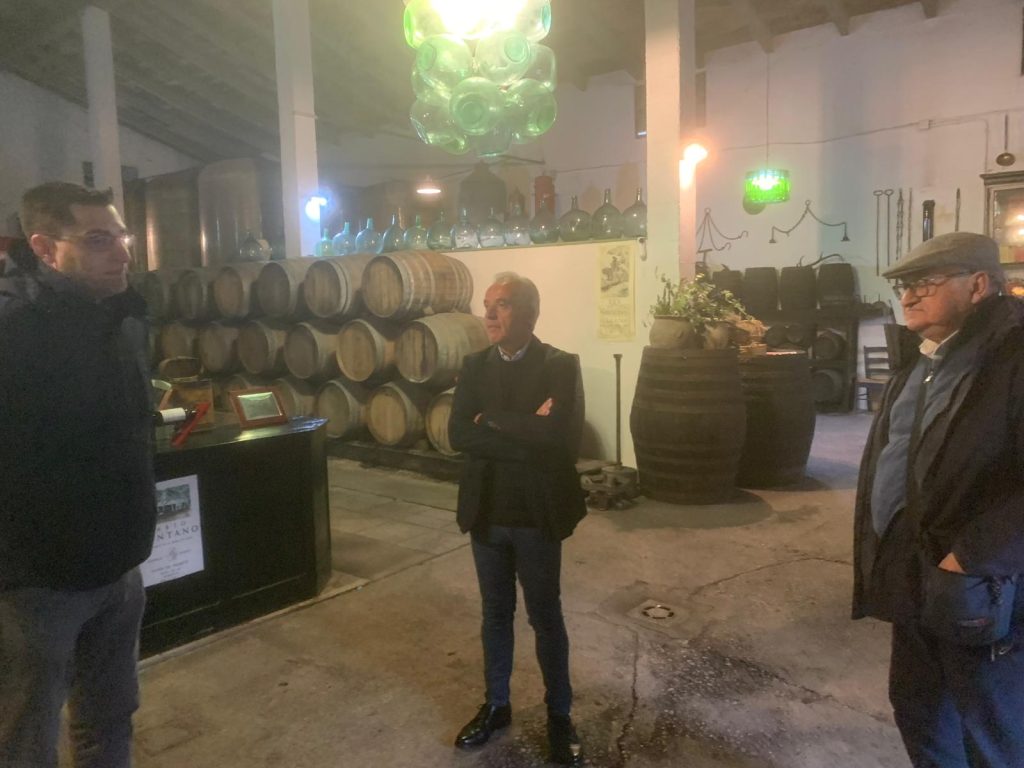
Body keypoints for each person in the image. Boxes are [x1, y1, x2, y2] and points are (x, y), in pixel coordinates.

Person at [852, 232, 1024, 767]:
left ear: (978, 285)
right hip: (914, 573)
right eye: (903, 286)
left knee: (990, 725)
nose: (908, 296)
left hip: (982, 584)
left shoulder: (1010, 357)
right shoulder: (924, 359)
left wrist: (972, 555)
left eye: (925, 282)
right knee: (918, 708)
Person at [0, 182, 156, 768]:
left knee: (110, 717)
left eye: (121, 235)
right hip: (39, 582)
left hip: (119, 565)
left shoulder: (122, 319)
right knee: (27, 736)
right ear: (44, 247)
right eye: (97, 239)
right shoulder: (13, 330)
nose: (121, 252)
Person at [448, 272, 587, 766]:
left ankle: (559, 716)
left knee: (545, 617)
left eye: (502, 304)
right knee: (495, 614)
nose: (489, 314)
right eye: (487, 304)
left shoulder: (559, 364)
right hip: (486, 511)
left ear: (529, 312)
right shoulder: (474, 365)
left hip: (535, 513)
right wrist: (525, 428)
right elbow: (458, 434)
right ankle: (497, 705)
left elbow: (558, 438)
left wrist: (491, 420)